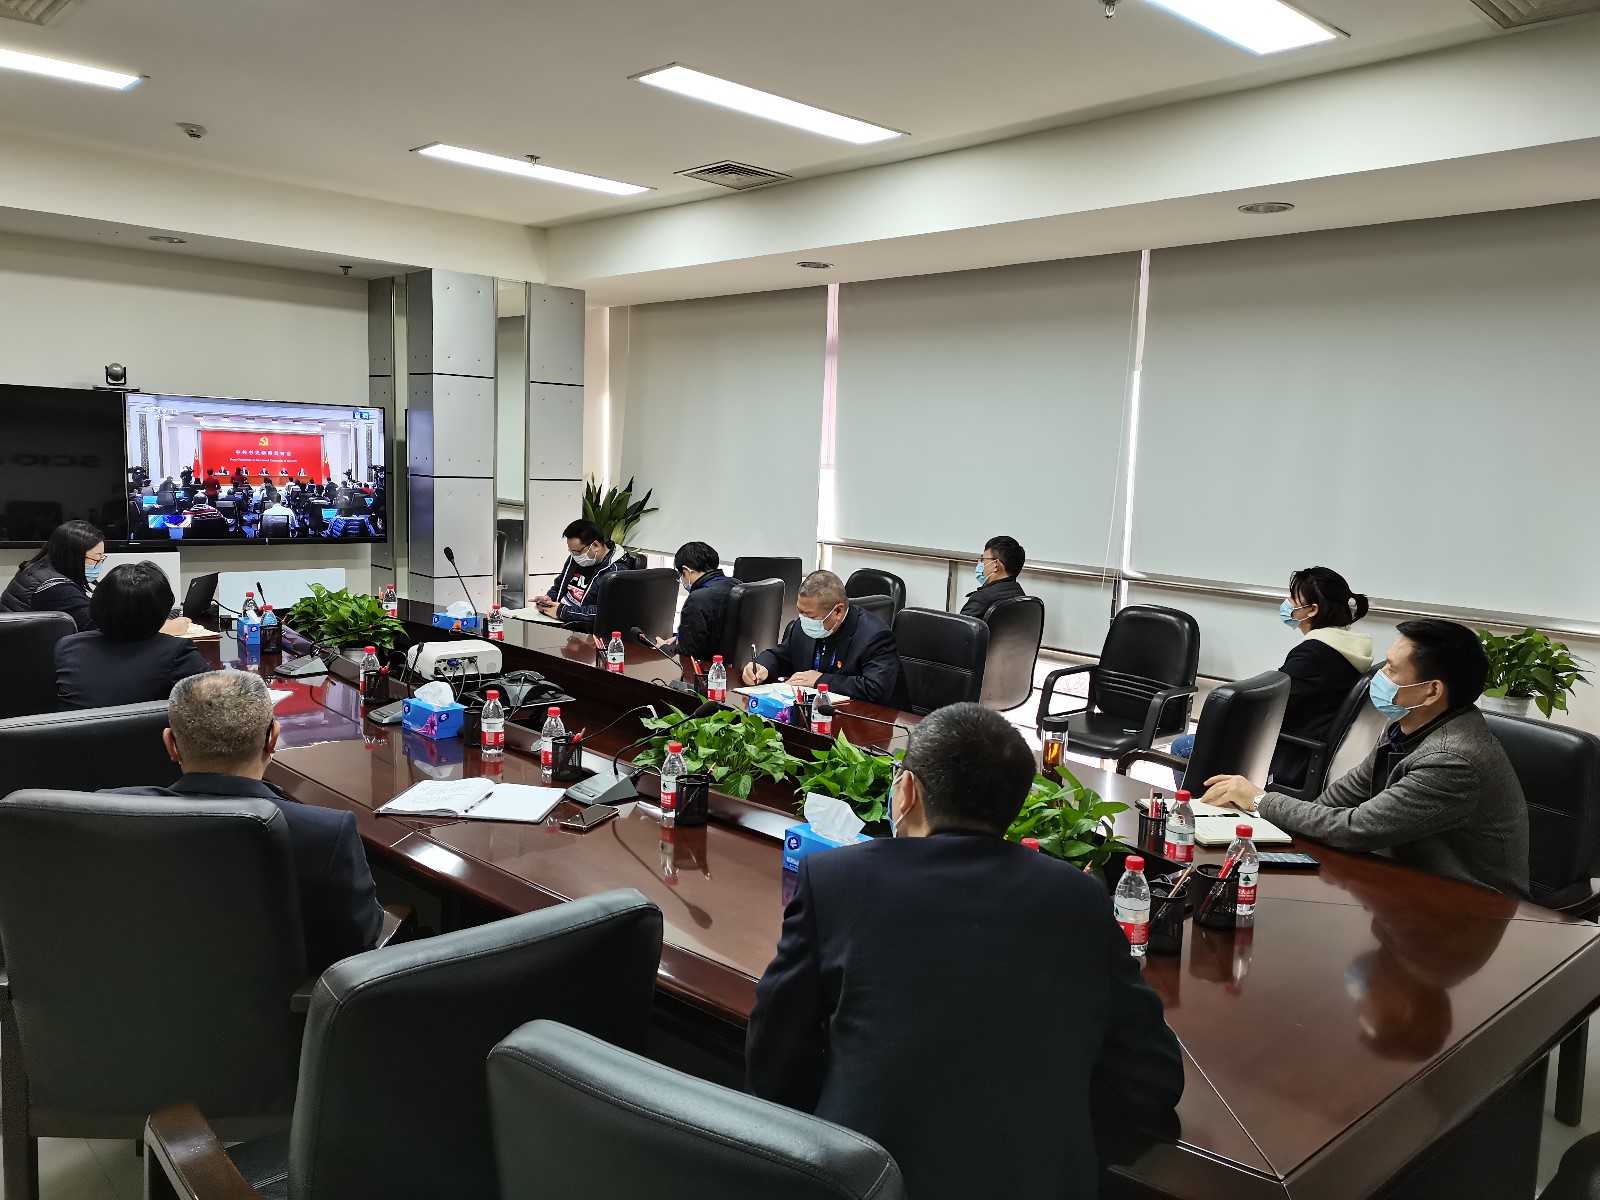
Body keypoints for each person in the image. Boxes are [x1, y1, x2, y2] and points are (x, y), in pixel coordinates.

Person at [746, 703, 1184, 1200]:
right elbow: (1153, 1077)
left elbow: (773, 1061)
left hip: (870, 1182)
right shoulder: (1079, 897)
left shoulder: (836, 880)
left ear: (907, 790)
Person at [1201, 618, 1529, 898]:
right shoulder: (1407, 726)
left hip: (1470, 906)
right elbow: (1338, 799)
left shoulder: (1451, 760)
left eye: (1392, 670)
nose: (1379, 676)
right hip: (1409, 884)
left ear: (1432, 691)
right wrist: (1286, 824)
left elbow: (1355, 829)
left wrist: (1260, 800)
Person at [110, 670, 385, 974]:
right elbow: (359, 942)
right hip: (286, 1003)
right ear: (273, 739)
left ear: (170, 745)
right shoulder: (326, 834)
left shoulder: (111, 814)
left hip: (144, 991)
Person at [1170, 566, 1373, 788]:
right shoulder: (1346, 646)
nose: (1287, 603)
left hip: (1289, 757)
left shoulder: (1314, 655)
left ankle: (1197, 808)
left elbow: (1272, 710)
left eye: (1293, 598)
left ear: (1312, 610)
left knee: (1183, 747)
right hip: (1308, 750)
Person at [742, 569, 906, 707]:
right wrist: (762, 666)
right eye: (800, 611)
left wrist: (820, 680)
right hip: (815, 714)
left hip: (873, 722)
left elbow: (875, 688)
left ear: (838, 611)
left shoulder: (875, 636)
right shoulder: (802, 626)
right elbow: (781, 656)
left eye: (810, 615)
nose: (803, 619)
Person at [55, 561, 205, 708]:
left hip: (77, 726)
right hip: (150, 726)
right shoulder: (178, 652)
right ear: (162, 610)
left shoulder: (68, 647)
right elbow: (214, 702)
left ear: (97, 604)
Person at [0, 520, 105, 631]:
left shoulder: (35, 568)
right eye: (96, 559)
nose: (99, 564)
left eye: (102, 558)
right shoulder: (55, 587)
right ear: (72, 557)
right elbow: (97, 625)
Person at [533, 519, 631, 630]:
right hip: (557, 618)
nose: (574, 556)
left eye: (577, 552)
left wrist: (563, 612)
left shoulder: (616, 571)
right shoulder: (576, 559)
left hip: (580, 627)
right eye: (572, 552)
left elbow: (607, 612)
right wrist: (548, 599)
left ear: (595, 545)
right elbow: (559, 585)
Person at [656, 540, 734, 667]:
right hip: (732, 668)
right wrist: (680, 638)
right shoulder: (735, 585)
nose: (682, 579)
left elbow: (688, 654)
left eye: (681, 575)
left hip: (706, 669)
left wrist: (663, 647)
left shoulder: (698, 599)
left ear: (687, 570)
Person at [959, 534, 1028, 621]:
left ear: (996, 565)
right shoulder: (1020, 594)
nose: (981, 564)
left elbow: (958, 628)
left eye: (983, 559)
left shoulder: (982, 598)